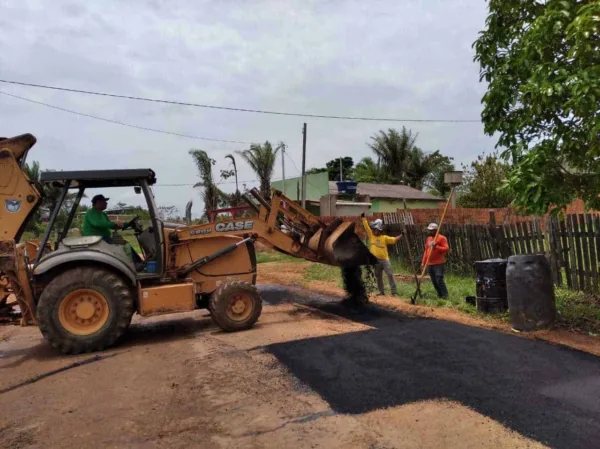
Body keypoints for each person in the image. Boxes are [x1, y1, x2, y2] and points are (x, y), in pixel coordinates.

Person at [361, 213, 402, 296]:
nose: (374, 231)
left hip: (385, 260)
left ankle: (394, 292)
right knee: (378, 276)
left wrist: (402, 235)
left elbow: (394, 239)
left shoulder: (385, 238)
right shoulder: (371, 236)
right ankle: (381, 292)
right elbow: (366, 227)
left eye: (376, 230)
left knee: (390, 274)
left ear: (380, 230)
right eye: (374, 229)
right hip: (375, 261)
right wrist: (363, 218)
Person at [421, 223, 450, 298]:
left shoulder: (442, 238)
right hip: (430, 263)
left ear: (436, 230)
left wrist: (436, 246)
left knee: (439, 279)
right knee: (434, 281)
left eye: (432, 230)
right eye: (429, 230)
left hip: (438, 263)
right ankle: (440, 295)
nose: (430, 232)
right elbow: (426, 251)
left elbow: (446, 249)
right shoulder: (429, 239)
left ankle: (445, 295)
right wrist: (423, 262)